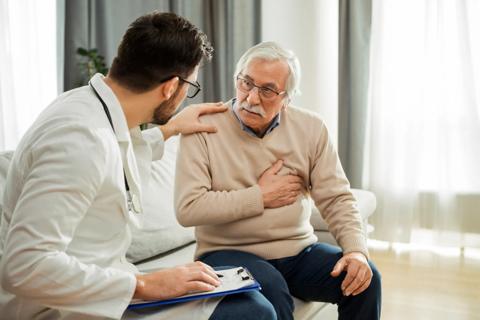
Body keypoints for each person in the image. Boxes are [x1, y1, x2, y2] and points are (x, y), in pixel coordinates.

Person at [0, 12, 275, 320]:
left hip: (107, 284)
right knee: (250, 311)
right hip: (62, 308)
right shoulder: (79, 140)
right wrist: (142, 284)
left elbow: (114, 157)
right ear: (171, 87)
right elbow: (24, 266)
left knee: (238, 285)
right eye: (190, 88)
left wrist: (171, 129)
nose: (186, 98)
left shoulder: (89, 109)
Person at [175, 41, 382, 320]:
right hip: (225, 254)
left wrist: (356, 251)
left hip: (298, 252)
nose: (251, 98)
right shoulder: (202, 127)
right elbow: (188, 208)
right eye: (246, 83)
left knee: (365, 281)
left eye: (268, 90)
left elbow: (336, 198)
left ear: (288, 98)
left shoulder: (311, 128)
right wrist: (259, 196)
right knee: (273, 291)